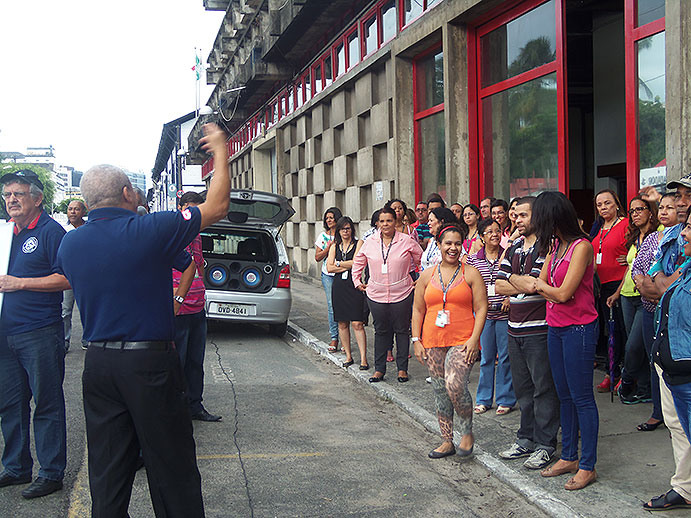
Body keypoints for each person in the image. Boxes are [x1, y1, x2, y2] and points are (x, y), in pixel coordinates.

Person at [56, 123, 230, 517]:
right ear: (127, 194)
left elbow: (68, 278)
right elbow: (218, 206)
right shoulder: (150, 228)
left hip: (98, 365)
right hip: (149, 363)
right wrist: (220, 150)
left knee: (108, 469)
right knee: (172, 466)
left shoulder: (71, 242)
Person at [0, 169, 70, 499]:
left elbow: (68, 278)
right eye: (7, 194)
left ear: (37, 198)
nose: (11, 199)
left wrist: (21, 283)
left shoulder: (50, 231)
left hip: (39, 332)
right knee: (10, 404)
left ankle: (51, 472)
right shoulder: (5, 233)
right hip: (5, 334)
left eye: (18, 194)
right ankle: (16, 467)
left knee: (46, 403)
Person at [533, 191, 599, 491]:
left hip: (579, 329)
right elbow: (543, 285)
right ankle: (569, 455)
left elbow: (561, 293)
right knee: (564, 394)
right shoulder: (555, 247)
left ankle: (588, 464)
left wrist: (534, 284)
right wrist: (537, 285)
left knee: (582, 396)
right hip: (556, 326)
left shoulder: (581, 246)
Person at [411, 225, 487, 459]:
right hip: (433, 340)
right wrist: (416, 340)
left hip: (463, 340)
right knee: (440, 391)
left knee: (454, 385)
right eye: (448, 243)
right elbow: (417, 309)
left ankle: (466, 432)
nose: (453, 248)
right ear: (439, 245)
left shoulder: (470, 273)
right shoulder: (428, 275)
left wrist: (475, 339)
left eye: (457, 243)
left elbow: (482, 307)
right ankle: (446, 440)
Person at [496, 196, 560, 470]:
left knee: (543, 388)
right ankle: (526, 438)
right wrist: (517, 282)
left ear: (537, 215)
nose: (517, 220)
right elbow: (497, 285)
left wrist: (515, 281)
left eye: (523, 215)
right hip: (514, 328)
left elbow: (537, 285)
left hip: (539, 329)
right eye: (515, 216)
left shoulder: (549, 247)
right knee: (523, 388)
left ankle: (546, 444)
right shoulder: (513, 249)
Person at [641, 174, 691, 512]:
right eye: (680, 195)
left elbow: (660, 284)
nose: (682, 202)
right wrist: (660, 281)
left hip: (685, 358)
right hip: (670, 352)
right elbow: (649, 281)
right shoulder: (672, 235)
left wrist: (659, 282)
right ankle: (684, 486)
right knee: (676, 425)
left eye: (687, 196)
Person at [352, 207, 423, 383]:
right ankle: (379, 369)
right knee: (381, 331)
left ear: (395, 221)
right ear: (377, 223)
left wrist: (419, 279)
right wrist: (357, 281)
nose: (385, 224)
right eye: (382, 221)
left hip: (402, 292)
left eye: (389, 220)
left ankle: (402, 369)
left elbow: (421, 260)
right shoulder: (370, 242)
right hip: (376, 295)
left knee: (401, 330)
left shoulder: (406, 241)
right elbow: (358, 262)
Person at [172, 191, 221, 423]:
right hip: (178, 309)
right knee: (177, 363)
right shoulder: (172, 233)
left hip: (197, 307)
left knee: (195, 362)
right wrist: (176, 300)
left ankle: (195, 405)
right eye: (190, 208)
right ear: (181, 207)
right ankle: (176, 409)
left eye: (198, 209)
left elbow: (199, 267)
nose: (194, 213)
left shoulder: (198, 235)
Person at [606, 196, 659, 406]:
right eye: (632, 211)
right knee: (637, 345)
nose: (635, 214)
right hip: (627, 296)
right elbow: (629, 269)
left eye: (640, 209)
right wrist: (617, 293)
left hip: (645, 297)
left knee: (635, 346)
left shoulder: (658, 235)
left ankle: (626, 380)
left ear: (650, 212)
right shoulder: (634, 237)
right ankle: (645, 390)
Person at [632, 193, 677, 432]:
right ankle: (658, 412)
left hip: (674, 311)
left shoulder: (683, 236)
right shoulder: (651, 238)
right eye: (661, 207)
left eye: (670, 207)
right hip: (650, 309)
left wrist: (656, 288)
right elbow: (636, 268)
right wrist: (646, 287)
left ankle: (676, 416)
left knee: (675, 362)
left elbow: (676, 280)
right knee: (654, 361)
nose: (664, 211)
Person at [467, 219, 516, 416]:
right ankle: (483, 399)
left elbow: (516, 278)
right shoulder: (473, 260)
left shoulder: (509, 256)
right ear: (481, 237)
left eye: (497, 231)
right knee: (487, 358)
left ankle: (505, 399)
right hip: (484, 316)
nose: (494, 234)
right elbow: (468, 285)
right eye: (489, 232)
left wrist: (510, 297)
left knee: (505, 358)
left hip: (505, 314)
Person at [593, 189, 629, 393]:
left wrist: (630, 257)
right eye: (600, 205)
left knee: (621, 331)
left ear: (616, 203)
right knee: (609, 330)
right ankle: (611, 372)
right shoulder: (599, 226)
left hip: (620, 284)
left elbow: (635, 249)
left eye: (607, 203)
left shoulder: (625, 223)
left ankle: (619, 374)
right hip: (601, 286)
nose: (604, 207)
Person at [327, 216, 368, 370]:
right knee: (342, 322)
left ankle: (363, 359)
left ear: (352, 229)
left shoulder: (359, 243)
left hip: (354, 285)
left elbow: (357, 263)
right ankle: (349, 356)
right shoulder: (334, 246)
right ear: (338, 231)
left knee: (357, 322)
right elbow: (329, 268)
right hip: (338, 287)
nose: (345, 231)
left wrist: (338, 263)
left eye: (348, 228)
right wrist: (346, 265)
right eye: (343, 229)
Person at [315, 207, 343, 352]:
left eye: (332, 217)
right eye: (327, 218)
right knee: (332, 306)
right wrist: (329, 248)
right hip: (328, 274)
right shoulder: (323, 237)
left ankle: (345, 339)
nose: (329, 220)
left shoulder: (344, 233)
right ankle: (334, 337)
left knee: (344, 306)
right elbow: (317, 257)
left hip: (342, 273)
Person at [62, 199, 88, 352]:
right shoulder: (62, 230)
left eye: (76, 209)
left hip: (86, 277)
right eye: (70, 209)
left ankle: (88, 339)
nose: (72, 212)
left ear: (83, 212)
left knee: (86, 309)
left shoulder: (90, 229)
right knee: (65, 310)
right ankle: (65, 341)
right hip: (66, 277)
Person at [421, 207, 457, 271]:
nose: (428, 223)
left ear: (441, 222)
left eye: (431, 220)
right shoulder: (431, 241)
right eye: (428, 220)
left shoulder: (453, 242)